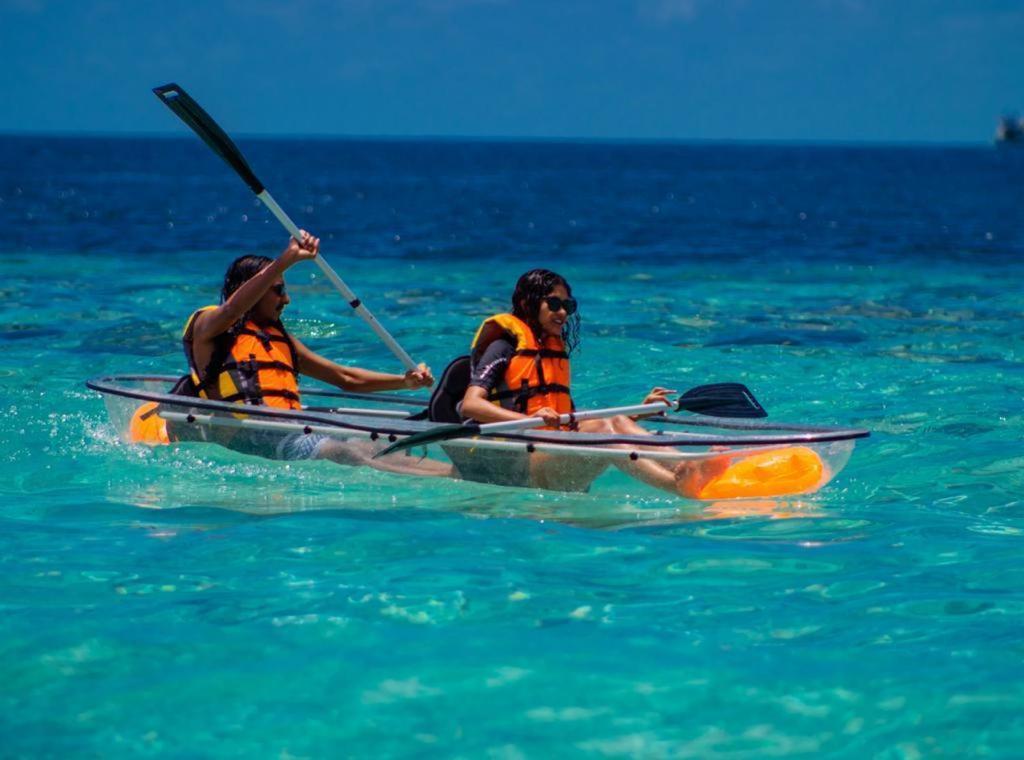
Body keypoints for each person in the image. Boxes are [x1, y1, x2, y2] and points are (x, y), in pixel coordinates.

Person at [180, 230, 451, 477]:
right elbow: (231, 311)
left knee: (373, 443)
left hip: (293, 430)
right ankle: (442, 482)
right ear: (254, 289)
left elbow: (345, 378)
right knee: (343, 452)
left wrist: (404, 381)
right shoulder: (207, 327)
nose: (286, 299)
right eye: (278, 290)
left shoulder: (280, 339)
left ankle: (457, 474)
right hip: (247, 439)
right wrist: (287, 259)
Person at [459, 268, 716, 495]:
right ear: (529, 303)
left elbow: (568, 417)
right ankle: (676, 484)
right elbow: (470, 405)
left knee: (613, 421)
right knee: (603, 427)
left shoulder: (549, 351)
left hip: (552, 451)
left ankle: (686, 465)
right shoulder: (503, 346)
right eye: (554, 304)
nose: (563, 313)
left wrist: (637, 413)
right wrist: (527, 422)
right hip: (520, 464)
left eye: (568, 307)